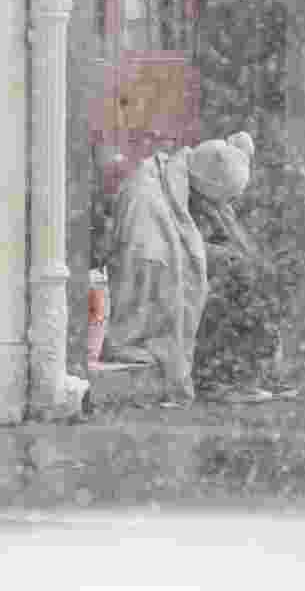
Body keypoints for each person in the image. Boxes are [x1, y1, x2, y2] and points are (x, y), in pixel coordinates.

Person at [99, 132, 254, 408]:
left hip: (154, 279)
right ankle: (213, 374)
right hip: (137, 300)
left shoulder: (179, 180)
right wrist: (213, 257)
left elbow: (189, 240)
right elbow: (159, 262)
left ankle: (223, 373)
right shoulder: (148, 198)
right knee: (212, 282)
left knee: (234, 272)